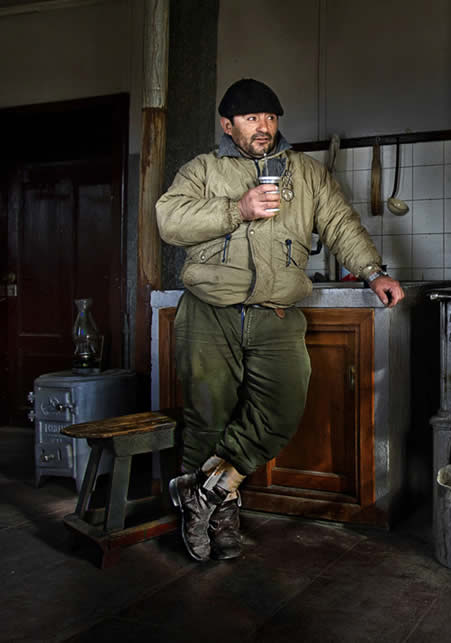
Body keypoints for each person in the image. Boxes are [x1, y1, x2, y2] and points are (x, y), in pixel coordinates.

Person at [156, 78, 404, 562]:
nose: (263, 127)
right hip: (211, 311)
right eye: (251, 119)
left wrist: (374, 272)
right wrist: (237, 209)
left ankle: (204, 489)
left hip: (276, 312)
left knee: (283, 409)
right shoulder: (202, 170)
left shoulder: (304, 172)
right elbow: (170, 220)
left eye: (270, 118)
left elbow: (338, 222)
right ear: (228, 125)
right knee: (207, 418)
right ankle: (218, 516)